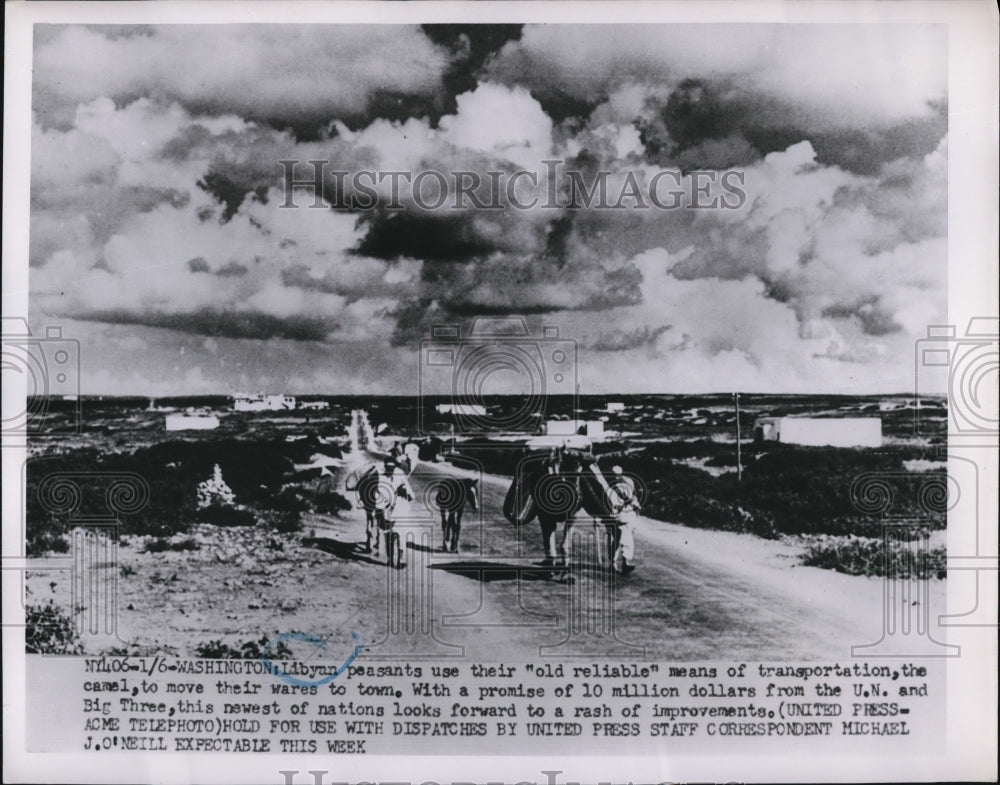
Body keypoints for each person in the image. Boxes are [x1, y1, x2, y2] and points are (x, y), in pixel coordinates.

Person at [377, 458, 415, 568]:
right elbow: (379, 495)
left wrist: (404, 492)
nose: (390, 470)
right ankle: (390, 559)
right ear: (385, 466)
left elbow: (411, 494)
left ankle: (400, 560)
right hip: (387, 510)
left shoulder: (399, 474)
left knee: (399, 535)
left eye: (392, 468)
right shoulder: (381, 478)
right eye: (388, 467)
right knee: (389, 535)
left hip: (400, 508)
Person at [606, 465, 639, 574]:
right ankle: (617, 563)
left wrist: (635, 504)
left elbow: (633, 495)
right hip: (616, 514)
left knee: (624, 537)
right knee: (618, 538)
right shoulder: (609, 485)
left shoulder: (628, 481)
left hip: (628, 514)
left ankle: (622, 563)